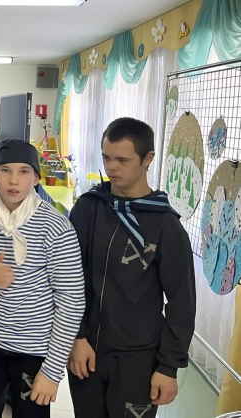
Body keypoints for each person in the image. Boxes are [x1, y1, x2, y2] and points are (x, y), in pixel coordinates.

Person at [67, 118, 196, 418]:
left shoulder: (166, 225)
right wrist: (77, 337)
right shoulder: (88, 208)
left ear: (147, 159)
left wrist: (168, 367)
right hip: (87, 351)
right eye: (106, 158)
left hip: (138, 360)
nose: (112, 167)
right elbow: (70, 279)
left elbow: (182, 302)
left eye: (122, 160)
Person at [0, 139, 85, 418]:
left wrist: (52, 371)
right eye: (5, 170)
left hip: (34, 350)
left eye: (24, 171)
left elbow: (72, 301)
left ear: (36, 178)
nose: (14, 180)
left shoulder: (56, 227)